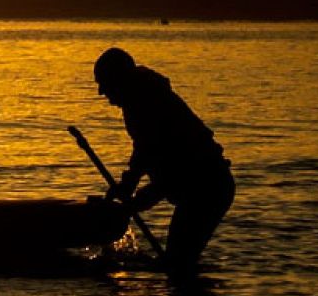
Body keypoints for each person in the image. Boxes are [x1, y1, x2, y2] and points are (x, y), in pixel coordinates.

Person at [93, 47, 234, 276]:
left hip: (207, 188)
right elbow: (142, 151)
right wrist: (128, 186)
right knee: (177, 264)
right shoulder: (138, 103)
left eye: (104, 83)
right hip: (195, 188)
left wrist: (134, 203)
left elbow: (171, 168)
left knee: (177, 264)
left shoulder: (149, 102)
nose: (101, 92)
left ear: (119, 79)